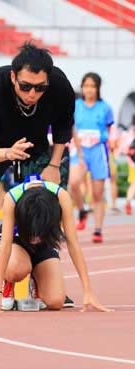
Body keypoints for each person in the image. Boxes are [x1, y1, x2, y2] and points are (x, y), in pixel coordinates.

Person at [0, 42, 75, 309]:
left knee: (47, 198)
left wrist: (54, 165)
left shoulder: (59, 86)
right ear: (13, 77)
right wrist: (6, 153)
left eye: (39, 88)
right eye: (25, 86)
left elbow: (63, 127)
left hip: (34, 142)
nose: (32, 94)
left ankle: (42, 271)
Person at [0, 177, 111, 313]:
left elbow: (73, 243)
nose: (35, 238)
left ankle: (36, 281)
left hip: (45, 242)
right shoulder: (11, 198)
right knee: (16, 269)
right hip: (17, 241)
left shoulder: (62, 197)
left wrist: (88, 291)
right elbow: (5, 244)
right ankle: (8, 285)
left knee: (56, 301)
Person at [69, 73, 114, 243]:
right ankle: (82, 210)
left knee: (97, 193)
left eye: (92, 86)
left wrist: (107, 144)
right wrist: (77, 148)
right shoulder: (76, 106)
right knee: (73, 183)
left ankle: (98, 229)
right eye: (86, 85)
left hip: (98, 151)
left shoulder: (105, 108)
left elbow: (109, 128)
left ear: (98, 88)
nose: (89, 89)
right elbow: (72, 128)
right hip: (80, 150)